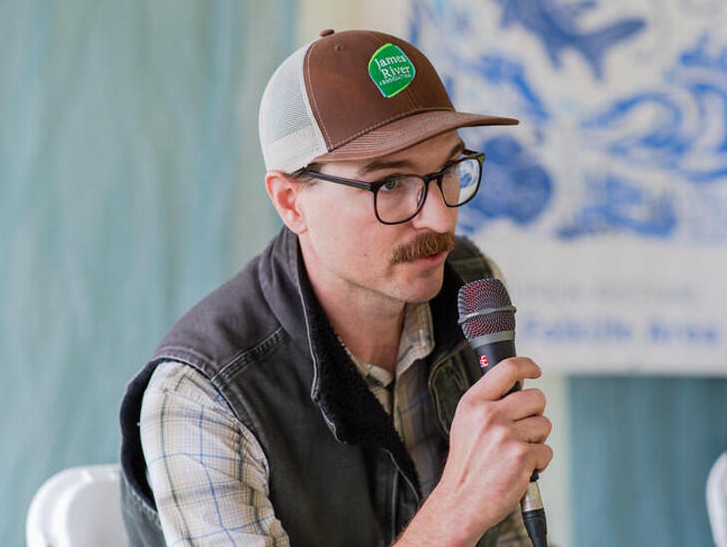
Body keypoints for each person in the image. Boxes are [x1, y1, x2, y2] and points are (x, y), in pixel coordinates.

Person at [120, 29, 553, 546]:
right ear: (290, 202)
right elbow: (467, 509)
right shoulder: (200, 396)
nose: (441, 217)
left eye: (449, 170)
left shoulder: (469, 286)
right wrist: (456, 510)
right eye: (390, 184)